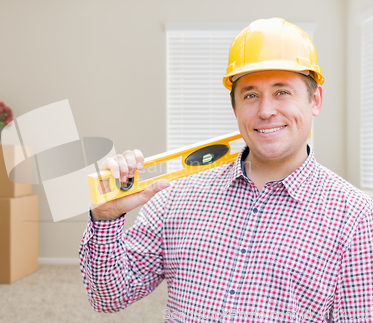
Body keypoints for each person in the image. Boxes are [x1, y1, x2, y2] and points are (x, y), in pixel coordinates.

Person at [79, 18, 373, 322]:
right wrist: (106, 219)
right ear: (235, 108)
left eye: (282, 92)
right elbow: (108, 298)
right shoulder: (175, 197)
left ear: (315, 100)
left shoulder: (355, 219)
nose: (265, 110)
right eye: (250, 95)